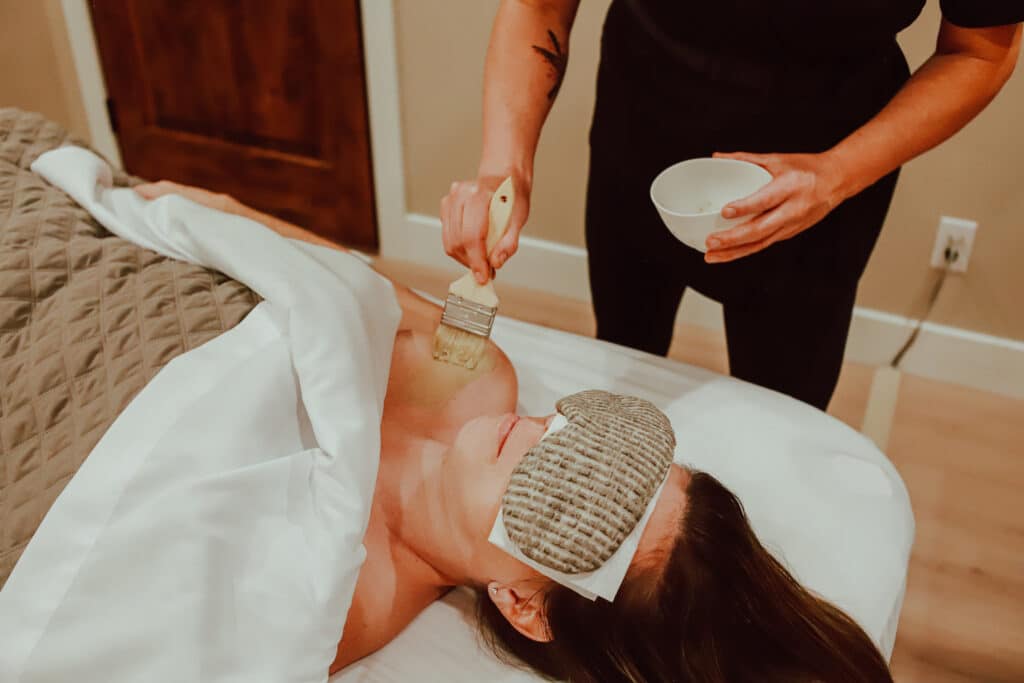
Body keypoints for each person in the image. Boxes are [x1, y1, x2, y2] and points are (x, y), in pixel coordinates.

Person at [137, 180, 896, 682]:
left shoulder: (344, 599)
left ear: (525, 608)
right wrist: (211, 209)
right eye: (603, 446)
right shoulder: (480, 376)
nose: (544, 430)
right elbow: (339, 279)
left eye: (563, 502)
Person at [440, 0, 1023, 410]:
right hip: (639, 120)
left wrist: (836, 174)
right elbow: (540, 6)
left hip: (820, 173)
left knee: (782, 407)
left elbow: (979, 51)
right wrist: (504, 168)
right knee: (623, 355)